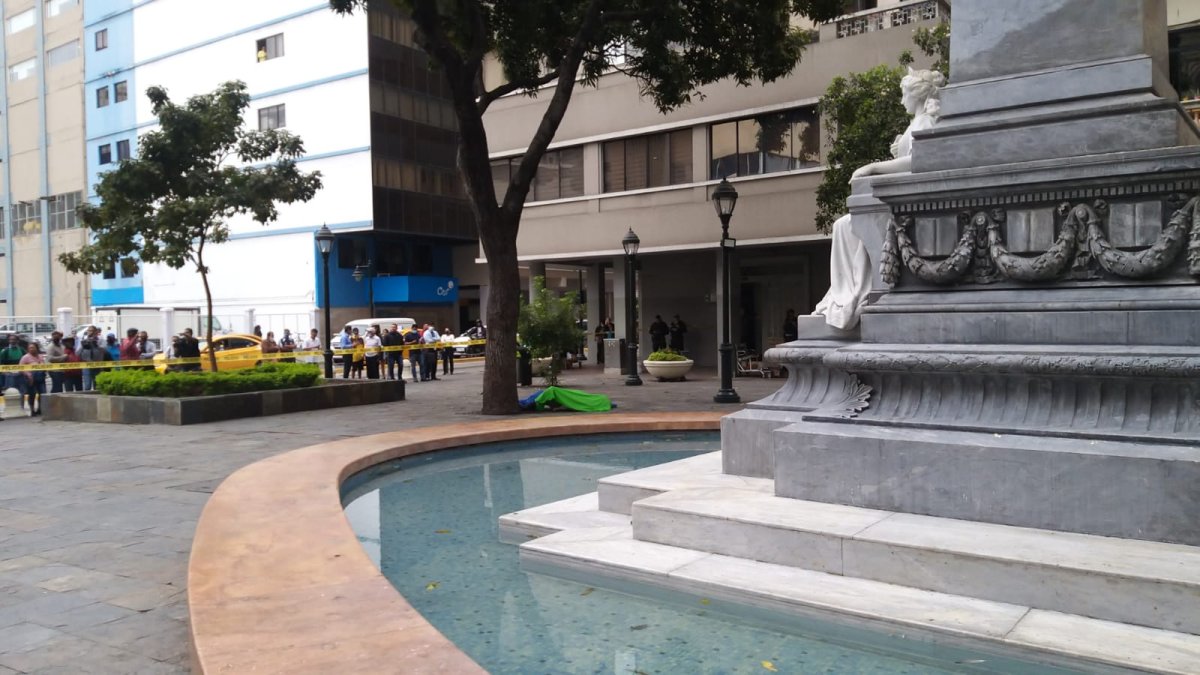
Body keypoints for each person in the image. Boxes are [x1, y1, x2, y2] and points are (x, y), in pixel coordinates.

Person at [814, 66, 946, 330]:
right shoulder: (917, 123)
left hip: (909, 204)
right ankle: (847, 290)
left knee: (845, 225)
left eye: (904, 94)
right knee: (843, 225)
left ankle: (853, 292)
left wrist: (873, 167)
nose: (902, 100)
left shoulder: (925, 122)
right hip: (902, 199)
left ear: (917, 95)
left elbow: (917, 162)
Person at [19, 342, 46, 416]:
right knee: (32, 394)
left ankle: (40, 409)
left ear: (37, 348)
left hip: (40, 378)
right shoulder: (25, 357)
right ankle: (32, 410)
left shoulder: (40, 356)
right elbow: (20, 368)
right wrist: (28, 375)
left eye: (33, 347)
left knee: (42, 394)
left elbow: (44, 366)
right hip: (30, 378)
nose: (31, 349)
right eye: (30, 348)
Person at [1, 334, 27, 404]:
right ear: (8, 341)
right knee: (10, 392)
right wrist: (4, 372)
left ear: (17, 341)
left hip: (21, 374)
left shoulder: (21, 350)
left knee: (22, 391)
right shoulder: (5, 351)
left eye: (14, 339)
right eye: (10, 339)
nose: (12, 341)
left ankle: (21, 407)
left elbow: (26, 360)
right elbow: (1, 363)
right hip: (10, 375)